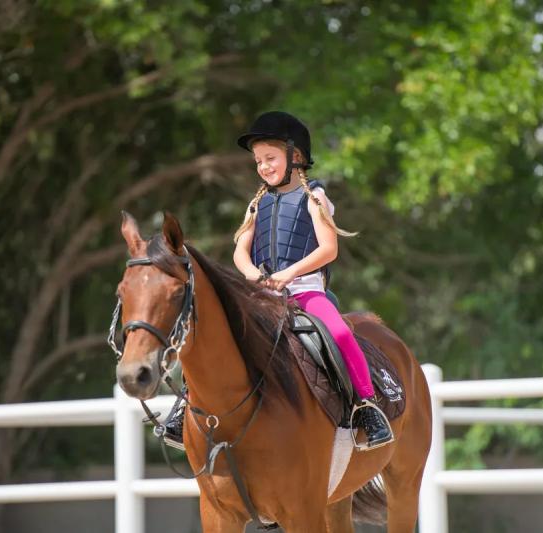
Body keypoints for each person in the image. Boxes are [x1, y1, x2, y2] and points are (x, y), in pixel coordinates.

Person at [164, 111, 393, 451]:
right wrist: (252, 274)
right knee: (213, 331)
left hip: (305, 292)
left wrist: (288, 273)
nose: (263, 167)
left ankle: (367, 406)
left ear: (295, 157)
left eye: (270, 158)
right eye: (258, 161)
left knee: (342, 332)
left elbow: (328, 249)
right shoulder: (257, 203)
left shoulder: (315, 198)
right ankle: (184, 406)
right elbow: (240, 251)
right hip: (261, 295)